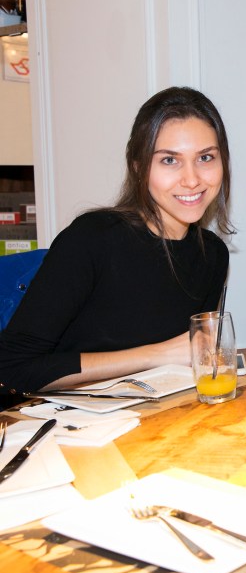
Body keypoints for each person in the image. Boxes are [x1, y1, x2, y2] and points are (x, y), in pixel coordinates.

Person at [0, 87, 232, 407]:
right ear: (138, 168)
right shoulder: (92, 239)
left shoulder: (213, 255)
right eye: (169, 160)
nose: (192, 180)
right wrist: (160, 354)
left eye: (205, 157)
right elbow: (12, 369)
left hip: (147, 421)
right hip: (57, 424)